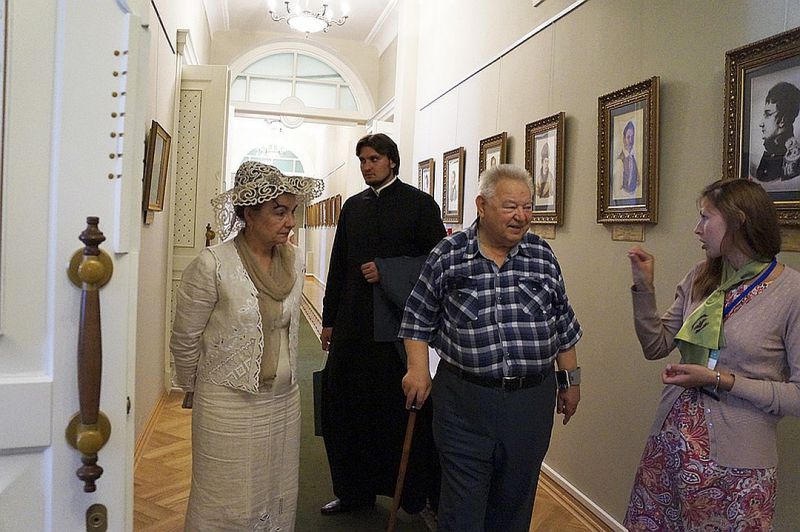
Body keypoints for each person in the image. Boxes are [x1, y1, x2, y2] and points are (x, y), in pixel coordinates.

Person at [399, 164, 583, 532]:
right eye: (510, 206)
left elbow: (562, 323)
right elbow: (417, 318)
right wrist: (417, 370)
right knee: (462, 508)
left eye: (528, 207)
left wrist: (571, 382)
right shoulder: (449, 254)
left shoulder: (542, 255)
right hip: (464, 402)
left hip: (530, 403)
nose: (521, 216)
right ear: (482, 206)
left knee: (514, 503)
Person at [624, 179, 800, 530]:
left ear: (738, 220)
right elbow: (656, 345)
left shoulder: (791, 293)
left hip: (737, 470)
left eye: (705, 217)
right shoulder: (701, 277)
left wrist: (721, 380)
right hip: (670, 448)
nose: (697, 228)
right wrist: (644, 288)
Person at [170, 161, 323, 531]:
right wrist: (193, 387)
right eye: (279, 212)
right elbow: (185, 338)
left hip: (283, 400)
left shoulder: (294, 259)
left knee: (274, 489)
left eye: (293, 212)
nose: (290, 222)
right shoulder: (213, 264)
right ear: (248, 214)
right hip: (227, 403)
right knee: (226, 496)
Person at [320, 133, 446, 516]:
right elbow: (339, 264)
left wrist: (388, 270)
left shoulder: (420, 205)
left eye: (373, 159)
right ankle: (352, 492)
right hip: (352, 324)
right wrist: (329, 319)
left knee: (396, 411)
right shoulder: (353, 207)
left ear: (391, 160)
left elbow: (437, 264)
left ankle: (409, 494)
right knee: (344, 408)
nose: (367, 166)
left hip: (398, 329)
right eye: (362, 160)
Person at [755, 81, 800, 182]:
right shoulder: (771, 151)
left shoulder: (794, 159)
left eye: (768, 114)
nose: (761, 123)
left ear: (782, 120)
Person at [613, 120, 639, 195]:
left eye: (632, 137)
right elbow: (617, 191)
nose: (631, 141)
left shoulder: (634, 159)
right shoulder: (619, 162)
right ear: (624, 139)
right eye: (628, 137)